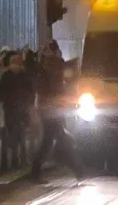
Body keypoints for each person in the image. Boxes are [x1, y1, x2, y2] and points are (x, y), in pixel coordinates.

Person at [31, 40, 83, 182]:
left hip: (49, 108)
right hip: (52, 108)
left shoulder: (45, 67)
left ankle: (75, 169)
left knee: (51, 139)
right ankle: (76, 168)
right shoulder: (55, 67)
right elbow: (59, 87)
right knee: (58, 137)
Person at [0, 50, 35, 150]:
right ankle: (17, 145)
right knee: (16, 126)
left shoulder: (11, 75)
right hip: (17, 105)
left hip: (14, 105)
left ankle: (15, 145)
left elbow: (1, 90)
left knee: (15, 126)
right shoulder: (21, 75)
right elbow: (31, 90)